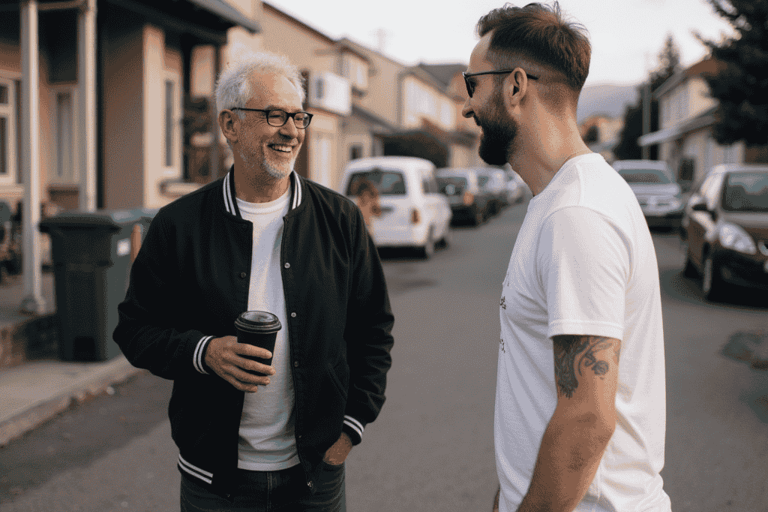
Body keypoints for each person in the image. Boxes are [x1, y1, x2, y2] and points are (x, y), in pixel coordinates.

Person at [113, 51, 394, 511]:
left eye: (298, 116)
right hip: (214, 480)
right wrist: (204, 352)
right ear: (230, 124)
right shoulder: (179, 225)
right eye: (273, 115)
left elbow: (372, 331)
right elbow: (135, 330)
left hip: (314, 476)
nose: (291, 130)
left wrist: (350, 429)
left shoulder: (339, 219)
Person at [461, 3, 672, 512]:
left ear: (515, 86)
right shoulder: (561, 199)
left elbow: (588, 418)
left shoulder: (576, 214)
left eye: (473, 85)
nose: (467, 108)